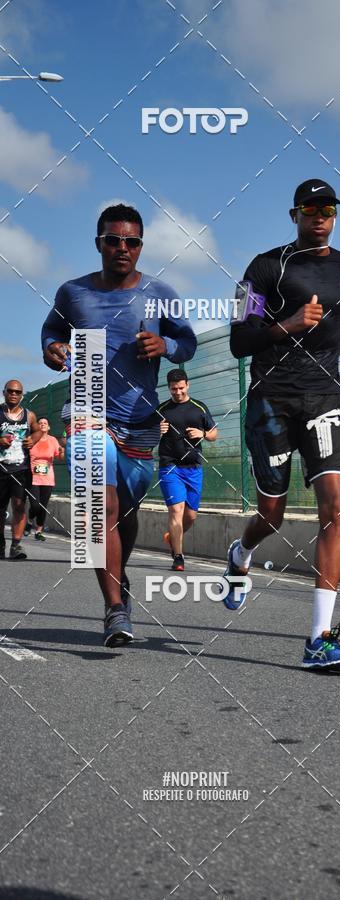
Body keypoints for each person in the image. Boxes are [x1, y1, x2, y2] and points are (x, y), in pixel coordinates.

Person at [225, 179, 340, 671]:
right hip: (272, 401)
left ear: (336, 215)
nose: (320, 216)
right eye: (310, 209)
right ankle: (241, 552)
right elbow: (240, 339)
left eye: (329, 208)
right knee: (271, 516)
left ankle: (319, 637)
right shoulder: (261, 267)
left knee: (336, 508)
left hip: (324, 398)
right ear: (294, 214)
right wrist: (288, 326)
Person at [41, 204, 197, 647]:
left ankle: (118, 576)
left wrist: (165, 343)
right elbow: (51, 330)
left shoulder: (161, 291)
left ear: (141, 246)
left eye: (131, 241)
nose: (122, 248)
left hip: (141, 420)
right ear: (99, 244)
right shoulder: (73, 293)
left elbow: (188, 344)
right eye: (113, 240)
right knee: (100, 509)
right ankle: (114, 608)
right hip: (87, 407)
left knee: (125, 512)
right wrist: (52, 348)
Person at [157, 369, 218, 571]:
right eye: (174, 389)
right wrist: (157, 431)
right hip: (169, 465)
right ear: (169, 388)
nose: (178, 392)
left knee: (190, 516)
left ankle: (173, 538)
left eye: (181, 388)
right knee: (176, 510)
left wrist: (202, 433)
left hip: (193, 467)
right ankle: (178, 557)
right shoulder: (162, 410)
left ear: (188, 385)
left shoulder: (199, 407)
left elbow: (214, 434)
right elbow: (147, 436)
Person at [0, 380, 42, 560]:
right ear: (4, 392)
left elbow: (38, 431)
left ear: (22, 394)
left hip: (20, 468)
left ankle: (16, 545)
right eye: (10, 391)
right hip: (1, 468)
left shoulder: (29, 415)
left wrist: (33, 439)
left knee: (19, 505)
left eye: (17, 392)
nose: (13, 394)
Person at [24, 416, 64, 540]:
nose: (42, 424)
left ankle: (39, 531)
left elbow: (60, 457)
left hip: (48, 478)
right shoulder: (31, 439)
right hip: (33, 477)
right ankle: (30, 521)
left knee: (43, 506)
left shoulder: (53, 440)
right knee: (35, 505)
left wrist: (62, 451)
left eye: (45, 423)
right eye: (40, 423)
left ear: (49, 427)